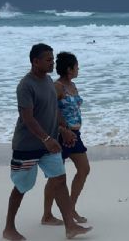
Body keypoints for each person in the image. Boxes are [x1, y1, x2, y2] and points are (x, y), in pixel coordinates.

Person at [3, 43, 92, 240]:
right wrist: (46, 138)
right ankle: (9, 228)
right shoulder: (25, 85)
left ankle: (70, 226)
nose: (53, 63)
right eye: (48, 60)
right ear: (35, 62)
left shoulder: (48, 82)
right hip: (27, 145)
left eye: (53, 59)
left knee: (60, 180)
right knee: (21, 187)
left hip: (49, 144)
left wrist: (64, 130)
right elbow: (28, 118)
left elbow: (54, 111)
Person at [41, 51, 91, 225]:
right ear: (69, 69)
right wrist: (62, 129)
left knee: (84, 169)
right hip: (61, 135)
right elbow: (51, 110)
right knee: (55, 178)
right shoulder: (57, 87)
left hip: (75, 135)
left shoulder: (73, 86)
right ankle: (47, 215)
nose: (78, 69)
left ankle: (70, 208)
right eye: (77, 66)